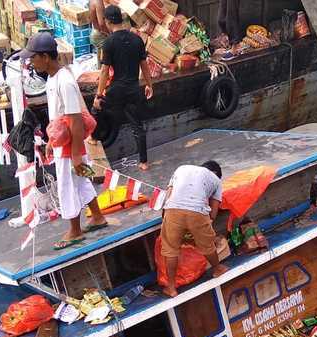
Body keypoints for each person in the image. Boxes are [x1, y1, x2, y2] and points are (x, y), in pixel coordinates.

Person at [21, 32, 108, 250]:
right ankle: (97, 217)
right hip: (64, 140)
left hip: (71, 144)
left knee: (67, 186)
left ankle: (75, 230)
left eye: (33, 57)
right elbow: (58, 116)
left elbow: (75, 120)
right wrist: (51, 140)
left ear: (45, 57)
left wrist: (77, 154)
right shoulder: (53, 77)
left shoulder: (65, 81)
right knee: (81, 181)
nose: (31, 62)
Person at [93, 5, 153, 171]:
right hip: (134, 88)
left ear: (107, 21)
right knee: (137, 126)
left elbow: (105, 71)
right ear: (121, 19)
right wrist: (149, 84)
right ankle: (143, 162)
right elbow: (144, 66)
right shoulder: (137, 39)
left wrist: (99, 94)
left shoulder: (109, 43)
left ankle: (93, 138)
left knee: (97, 109)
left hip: (116, 90)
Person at [160, 161, 229, 298]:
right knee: (207, 244)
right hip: (197, 211)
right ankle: (218, 268)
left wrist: (165, 216)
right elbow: (213, 214)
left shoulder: (181, 168)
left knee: (170, 249)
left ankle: (171, 288)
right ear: (216, 174)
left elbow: (168, 196)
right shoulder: (216, 180)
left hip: (172, 209)